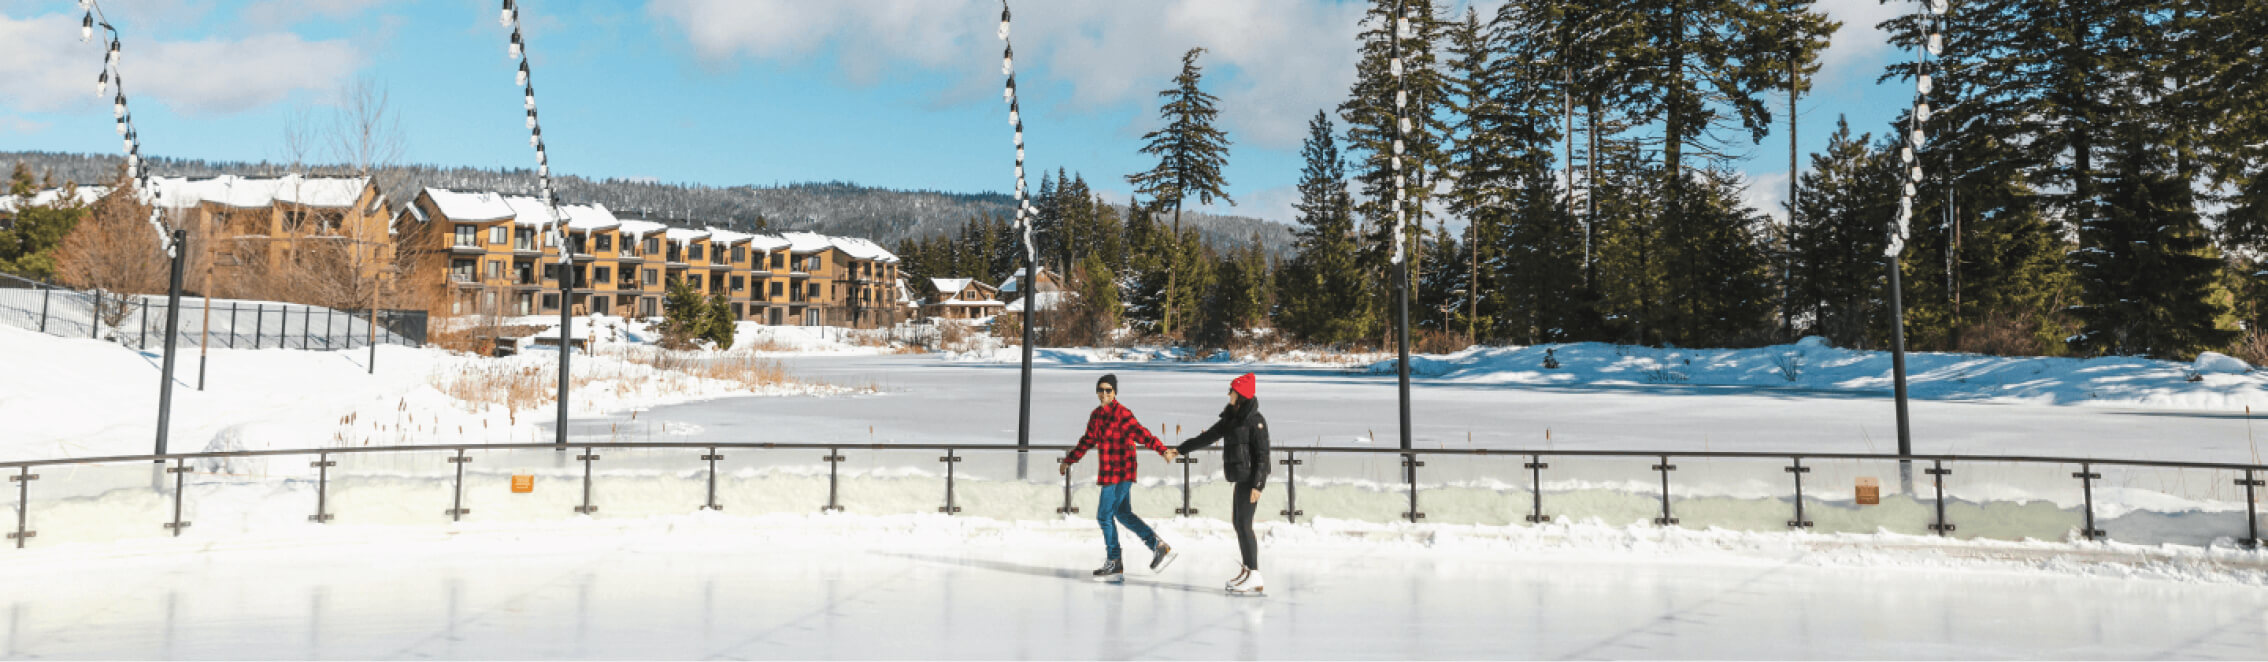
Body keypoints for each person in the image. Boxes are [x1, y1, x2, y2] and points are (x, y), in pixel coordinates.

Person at [1062, 373, 1178, 579]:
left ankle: (1114, 559)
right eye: (1101, 390)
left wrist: (1162, 450)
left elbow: (1142, 434)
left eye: (1108, 390)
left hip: (1122, 471)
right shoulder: (1096, 416)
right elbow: (1087, 440)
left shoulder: (1122, 414)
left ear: (1115, 392)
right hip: (1109, 472)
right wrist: (1069, 459)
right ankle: (1157, 546)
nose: (1104, 393)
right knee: (1123, 514)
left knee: (1104, 515)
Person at [1176, 372, 1270, 594]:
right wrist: (1180, 450)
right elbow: (1207, 437)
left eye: (1232, 391)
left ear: (1242, 395)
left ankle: (1255, 574)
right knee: (1238, 523)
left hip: (1250, 481)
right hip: (1240, 478)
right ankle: (1248, 571)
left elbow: (1263, 455)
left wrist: (1258, 485)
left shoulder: (1255, 421)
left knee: (1245, 525)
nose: (1229, 394)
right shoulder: (1232, 418)